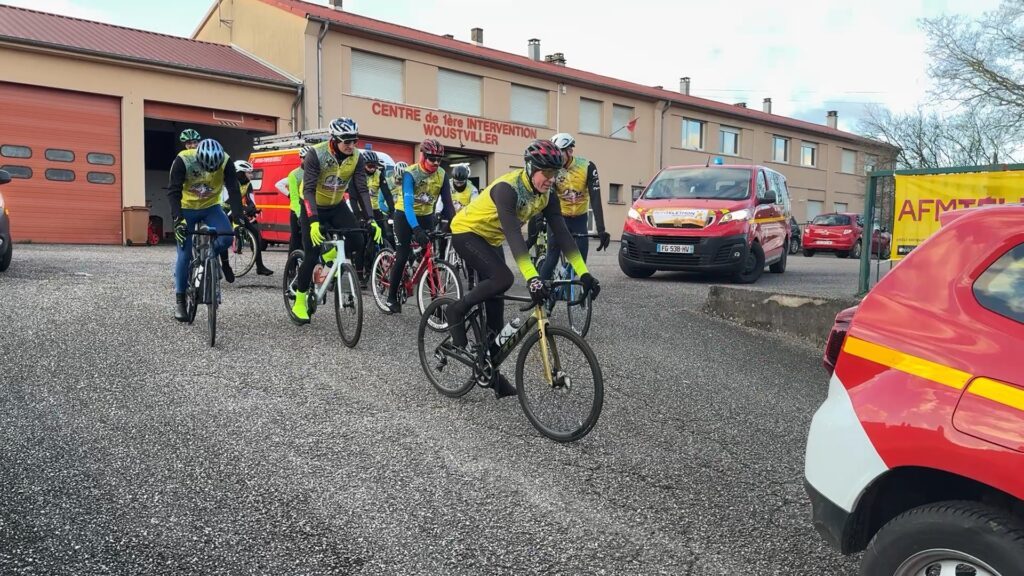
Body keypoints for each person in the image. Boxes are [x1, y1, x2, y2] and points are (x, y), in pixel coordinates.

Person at [444, 140, 601, 398]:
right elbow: (515, 237)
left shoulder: (547, 195)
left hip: (491, 239)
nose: (552, 179)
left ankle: (488, 374)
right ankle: (456, 309)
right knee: (503, 278)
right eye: (547, 173)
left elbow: (563, 234)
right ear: (530, 168)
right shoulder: (508, 189)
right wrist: (533, 278)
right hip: (467, 233)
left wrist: (583, 273)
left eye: (556, 174)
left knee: (496, 319)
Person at [290, 117, 380, 324]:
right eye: (346, 141)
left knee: (357, 240)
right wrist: (313, 221)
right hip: (313, 205)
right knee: (311, 254)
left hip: (337, 205)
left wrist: (371, 219)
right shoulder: (316, 154)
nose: (351, 146)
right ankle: (300, 301)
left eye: (354, 141)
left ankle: (331, 254)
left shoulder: (357, 157)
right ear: (334, 139)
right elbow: (309, 189)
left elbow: (361, 189)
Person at [168, 138, 244, 321]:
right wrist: (178, 220)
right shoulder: (183, 159)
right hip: (187, 208)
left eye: (213, 169)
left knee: (226, 238)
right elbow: (173, 191)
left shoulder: (225, 161)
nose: (209, 173)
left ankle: (210, 257)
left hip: (211, 207)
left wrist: (238, 219)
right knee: (184, 255)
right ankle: (180, 300)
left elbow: (233, 189)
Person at [383, 139, 455, 314]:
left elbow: (448, 203)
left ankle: (436, 303)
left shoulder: (442, 175)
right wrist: (416, 229)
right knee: (402, 254)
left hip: (426, 216)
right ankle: (391, 298)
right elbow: (408, 205)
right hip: (404, 216)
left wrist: (455, 225)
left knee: (430, 256)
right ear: (423, 156)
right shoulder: (411, 173)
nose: (436, 163)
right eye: (432, 159)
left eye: (440, 159)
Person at [538, 133, 611, 281]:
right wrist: (541, 218)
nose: (556, 156)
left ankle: (566, 275)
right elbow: (546, 197)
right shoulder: (553, 169)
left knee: (580, 263)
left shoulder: (587, 166)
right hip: (559, 218)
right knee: (551, 259)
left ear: (569, 151)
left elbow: (595, 198)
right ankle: (538, 297)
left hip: (579, 219)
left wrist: (601, 229)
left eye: (559, 153)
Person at [224, 160, 273, 276]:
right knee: (222, 236)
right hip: (224, 210)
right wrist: (245, 209)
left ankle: (260, 267)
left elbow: (250, 200)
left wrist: (253, 209)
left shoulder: (247, 184)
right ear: (241, 173)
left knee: (255, 232)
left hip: (236, 210)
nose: (251, 175)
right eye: (249, 173)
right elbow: (228, 201)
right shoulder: (229, 183)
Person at [275, 145, 312, 253]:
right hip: (298, 210)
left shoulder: (316, 171)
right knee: (295, 239)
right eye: (306, 158)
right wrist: (300, 214)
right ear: (301, 158)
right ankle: (291, 266)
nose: (309, 160)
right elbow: (294, 198)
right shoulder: (294, 174)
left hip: (312, 208)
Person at [361, 150, 394, 255]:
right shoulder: (359, 174)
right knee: (363, 240)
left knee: (383, 236)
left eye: (375, 166)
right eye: (370, 166)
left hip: (375, 209)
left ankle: (382, 258)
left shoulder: (379, 174)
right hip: (362, 210)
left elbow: (387, 194)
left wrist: (392, 211)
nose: (373, 169)